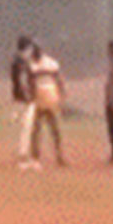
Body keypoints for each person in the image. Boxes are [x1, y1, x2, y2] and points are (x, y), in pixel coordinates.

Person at [24, 41, 66, 169]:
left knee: (39, 129)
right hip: (49, 96)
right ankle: (58, 156)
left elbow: (30, 82)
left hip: (42, 97)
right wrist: (62, 93)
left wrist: (30, 97)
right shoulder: (51, 63)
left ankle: (37, 156)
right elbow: (59, 79)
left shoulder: (32, 65)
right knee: (52, 129)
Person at [9, 35, 37, 163]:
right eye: (30, 48)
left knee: (24, 126)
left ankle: (23, 153)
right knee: (26, 127)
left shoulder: (17, 60)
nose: (31, 51)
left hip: (18, 97)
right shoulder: (20, 62)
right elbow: (21, 80)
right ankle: (23, 155)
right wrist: (27, 96)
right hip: (23, 98)